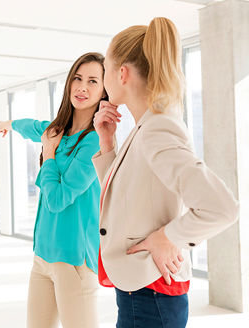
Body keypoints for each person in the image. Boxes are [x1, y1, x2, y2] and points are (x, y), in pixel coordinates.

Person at [92, 17, 239, 328]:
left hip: (151, 294)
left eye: (104, 71)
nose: (103, 81)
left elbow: (221, 207)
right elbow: (127, 199)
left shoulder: (156, 129)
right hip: (143, 290)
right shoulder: (145, 127)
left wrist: (167, 237)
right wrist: (108, 144)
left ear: (122, 74)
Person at [0, 52, 108, 328]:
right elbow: (32, 127)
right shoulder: (56, 130)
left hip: (74, 261)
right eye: (78, 78)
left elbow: (57, 199)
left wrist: (48, 152)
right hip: (42, 256)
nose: (82, 87)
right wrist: (9, 125)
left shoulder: (94, 142)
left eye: (93, 81)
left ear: (105, 90)